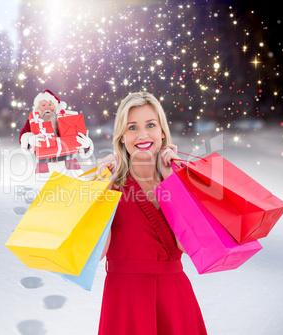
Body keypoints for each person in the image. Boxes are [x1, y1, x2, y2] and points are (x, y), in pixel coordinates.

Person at [96, 92, 207, 335]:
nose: (143, 135)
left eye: (150, 125)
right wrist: (102, 191)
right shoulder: (111, 185)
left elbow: (189, 246)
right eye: (132, 127)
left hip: (174, 298)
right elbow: (99, 252)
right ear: (122, 138)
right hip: (124, 299)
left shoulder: (179, 181)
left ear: (162, 132)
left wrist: (172, 183)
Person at [19, 90, 94, 174]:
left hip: (69, 165)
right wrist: (29, 141)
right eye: (43, 105)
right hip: (45, 165)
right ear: (38, 107)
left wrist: (86, 145)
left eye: (50, 105)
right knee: (45, 186)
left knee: (75, 186)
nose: (47, 108)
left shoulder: (66, 118)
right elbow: (23, 136)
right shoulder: (32, 121)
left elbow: (77, 136)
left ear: (55, 106)